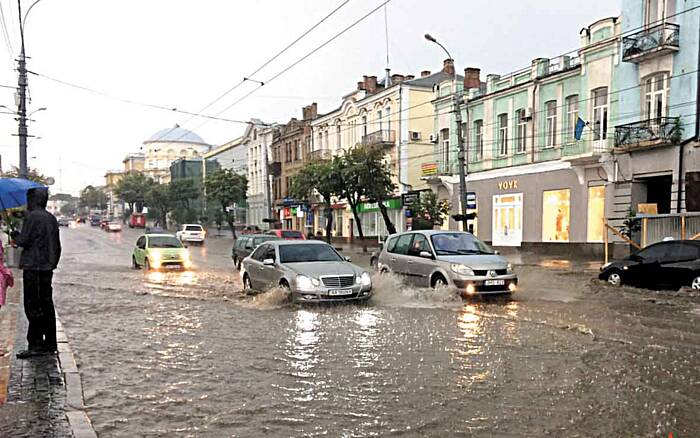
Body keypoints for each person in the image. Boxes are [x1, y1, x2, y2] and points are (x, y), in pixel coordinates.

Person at [12, 188, 61, 359]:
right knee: (47, 305)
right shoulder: (51, 218)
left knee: (33, 306)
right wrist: (52, 263)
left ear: (33, 200)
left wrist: (15, 235)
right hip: (47, 268)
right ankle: (50, 343)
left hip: (34, 267)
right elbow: (57, 246)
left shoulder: (32, 218)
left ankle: (36, 344)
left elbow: (23, 241)